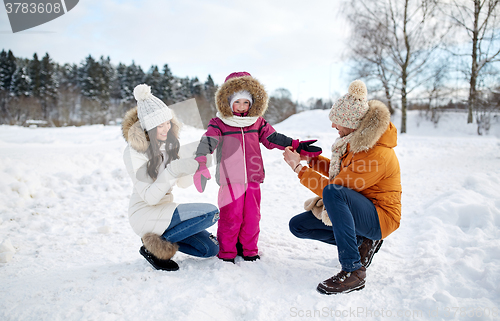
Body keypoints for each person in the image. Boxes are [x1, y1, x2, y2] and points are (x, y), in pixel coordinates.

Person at [284, 79, 401, 294]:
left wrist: (298, 169)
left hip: (380, 217)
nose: (333, 126)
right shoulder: (359, 142)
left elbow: (335, 190)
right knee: (298, 226)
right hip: (361, 208)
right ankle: (360, 241)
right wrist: (311, 160)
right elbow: (342, 175)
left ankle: (353, 271)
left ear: (351, 122)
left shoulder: (376, 153)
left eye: (337, 121)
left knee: (332, 193)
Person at [194, 72, 321, 263]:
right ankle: (227, 251)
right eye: (238, 102)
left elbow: (273, 139)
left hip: (253, 178)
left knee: (252, 216)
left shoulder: (257, 121)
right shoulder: (220, 123)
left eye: (246, 102)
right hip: (230, 180)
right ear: (228, 101)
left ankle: (249, 249)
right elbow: (207, 142)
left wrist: (297, 145)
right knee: (231, 216)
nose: (242, 107)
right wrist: (201, 162)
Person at [122, 84, 220, 271]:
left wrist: (198, 167)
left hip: (166, 211)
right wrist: (172, 170)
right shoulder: (134, 152)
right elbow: (150, 197)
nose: (166, 128)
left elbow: (182, 183)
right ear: (148, 128)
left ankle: (166, 237)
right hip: (145, 213)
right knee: (210, 212)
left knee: (210, 249)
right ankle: (152, 247)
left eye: (168, 122)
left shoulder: (169, 145)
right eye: (160, 125)